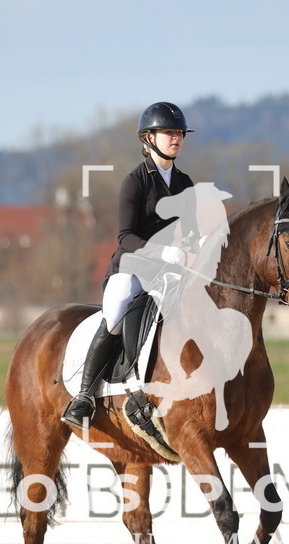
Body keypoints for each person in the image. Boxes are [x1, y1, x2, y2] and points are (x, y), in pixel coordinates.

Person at [61, 101, 196, 429]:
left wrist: (195, 245)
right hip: (132, 269)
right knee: (116, 312)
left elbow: (192, 231)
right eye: (169, 132)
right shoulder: (135, 182)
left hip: (169, 272)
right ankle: (84, 396)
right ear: (149, 138)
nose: (176, 138)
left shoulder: (185, 183)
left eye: (180, 133)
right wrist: (161, 252)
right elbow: (125, 236)